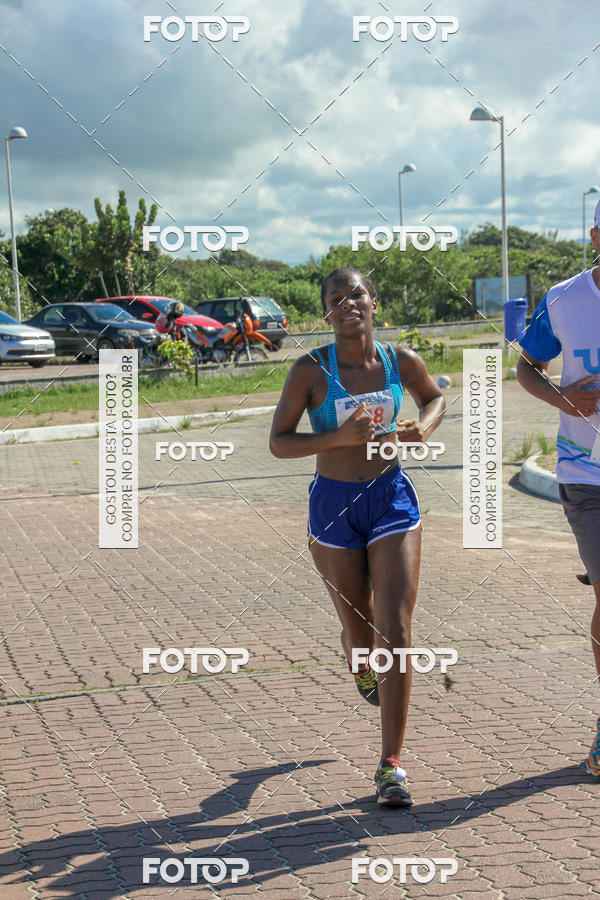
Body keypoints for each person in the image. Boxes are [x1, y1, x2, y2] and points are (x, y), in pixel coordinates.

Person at [269, 267, 445, 805]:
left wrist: (424, 427)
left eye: (356, 295)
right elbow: (279, 442)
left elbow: (435, 400)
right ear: (325, 311)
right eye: (335, 299)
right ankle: (357, 657)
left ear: (374, 302)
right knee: (361, 632)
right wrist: (338, 436)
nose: (347, 305)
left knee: (395, 627)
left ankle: (391, 764)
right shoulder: (310, 370)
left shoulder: (400, 361)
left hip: (390, 497)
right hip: (332, 507)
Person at [517, 200, 600, 779]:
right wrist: (562, 400)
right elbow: (527, 365)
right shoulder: (567, 299)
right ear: (597, 234)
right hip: (586, 473)